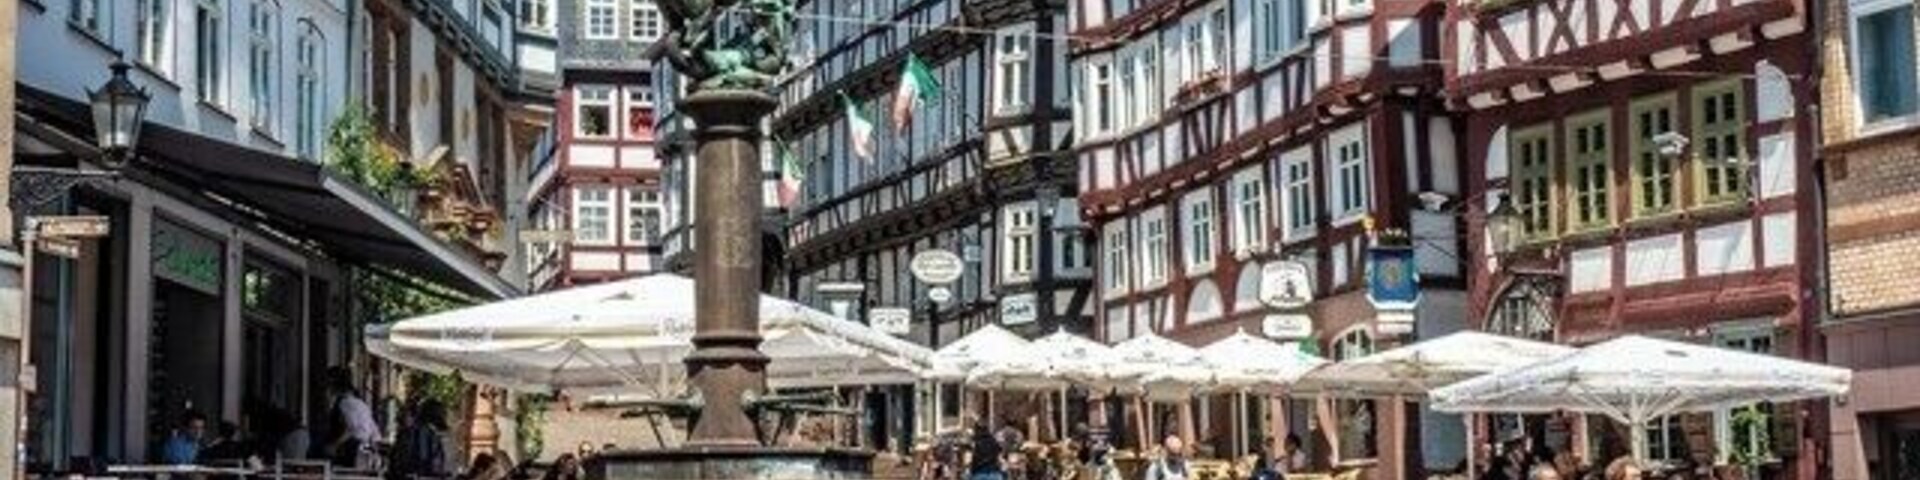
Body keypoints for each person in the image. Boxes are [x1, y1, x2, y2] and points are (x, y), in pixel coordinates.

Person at [324, 367, 381, 469]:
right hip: (362, 451)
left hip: (350, 451)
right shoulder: (362, 404)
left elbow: (350, 429)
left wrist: (334, 446)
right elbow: (375, 433)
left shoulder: (345, 403)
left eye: (328, 385)